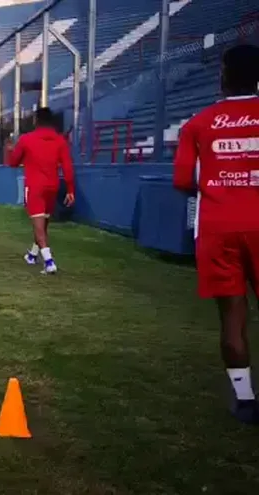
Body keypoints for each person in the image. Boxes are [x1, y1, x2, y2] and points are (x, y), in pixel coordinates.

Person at [172, 44, 259, 424]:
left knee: (232, 316)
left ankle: (245, 399)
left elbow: (181, 180)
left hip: (218, 229)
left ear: (223, 76)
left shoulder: (198, 123)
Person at [6, 107, 75, 274]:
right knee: (43, 225)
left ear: (36, 120)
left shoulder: (26, 139)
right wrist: (70, 190)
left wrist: (9, 151)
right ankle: (33, 255)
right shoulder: (60, 141)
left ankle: (49, 261)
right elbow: (67, 165)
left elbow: (13, 162)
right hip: (52, 186)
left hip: (35, 186)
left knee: (38, 226)